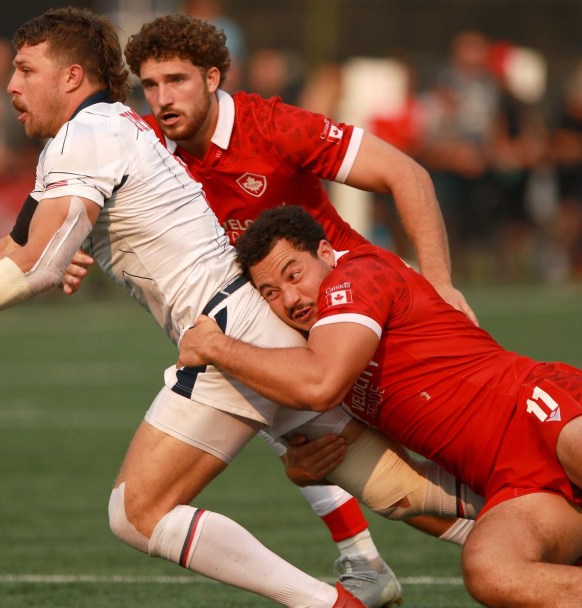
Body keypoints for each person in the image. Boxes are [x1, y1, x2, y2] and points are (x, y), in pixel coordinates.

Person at [0, 8, 481, 608]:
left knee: (137, 512)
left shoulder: (88, 135)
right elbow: (19, 249)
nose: (10, 87)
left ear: (72, 76)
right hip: (268, 323)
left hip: (239, 326)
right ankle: (570, 537)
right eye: (152, 83)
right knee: (399, 486)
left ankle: (333, 602)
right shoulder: (111, 128)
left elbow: (39, 265)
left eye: (25, 70)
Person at [67, 13, 478, 605]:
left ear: (214, 78)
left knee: (460, 454)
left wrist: (438, 282)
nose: (162, 99)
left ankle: (570, 539)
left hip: (369, 313)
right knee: (364, 471)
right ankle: (367, 561)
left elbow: (404, 173)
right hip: (291, 333)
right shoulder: (157, 156)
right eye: (150, 85)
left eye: (177, 80)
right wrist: (70, 251)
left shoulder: (271, 125)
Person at [177, 204, 582, 608]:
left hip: (538, 408)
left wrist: (216, 345)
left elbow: (319, 386)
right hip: (512, 484)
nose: (289, 299)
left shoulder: (354, 277)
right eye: (270, 292)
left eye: (293, 275)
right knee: (488, 570)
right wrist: (303, 469)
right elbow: (348, 450)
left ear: (324, 254)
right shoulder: (312, 344)